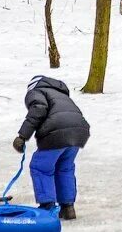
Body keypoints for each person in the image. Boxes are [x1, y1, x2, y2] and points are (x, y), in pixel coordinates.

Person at [12, 75, 91, 220]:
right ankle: (68, 208)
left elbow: (39, 109)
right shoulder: (61, 94)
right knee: (64, 168)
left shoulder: (37, 91)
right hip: (78, 132)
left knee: (40, 166)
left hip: (57, 131)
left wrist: (22, 136)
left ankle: (47, 206)